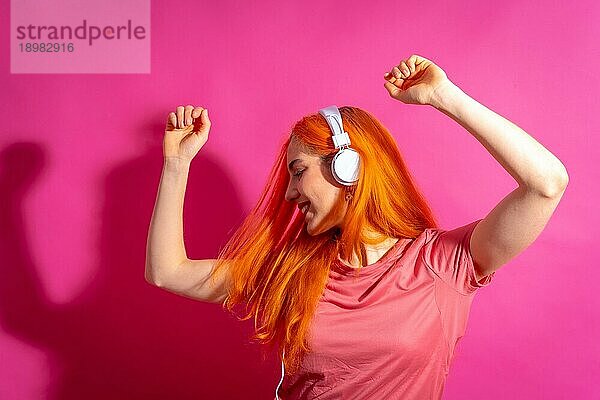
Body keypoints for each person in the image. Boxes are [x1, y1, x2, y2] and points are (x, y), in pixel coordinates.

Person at [145, 54, 569, 399]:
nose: (290, 195)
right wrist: (176, 164)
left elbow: (546, 184)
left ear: (348, 168)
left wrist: (444, 96)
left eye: (298, 171)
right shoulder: (291, 270)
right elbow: (167, 272)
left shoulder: (443, 263)